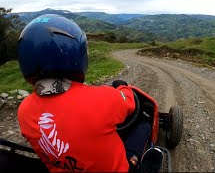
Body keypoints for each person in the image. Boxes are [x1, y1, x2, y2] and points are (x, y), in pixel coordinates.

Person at [17, 14, 162, 172]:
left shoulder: (24, 110)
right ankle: (138, 161)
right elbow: (130, 103)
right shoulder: (103, 98)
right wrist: (122, 86)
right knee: (143, 125)